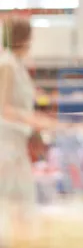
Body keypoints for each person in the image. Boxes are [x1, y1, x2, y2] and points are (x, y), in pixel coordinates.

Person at [0, 16, 38, 205]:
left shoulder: (16, 64)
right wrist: (36, 121)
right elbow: (3, 108)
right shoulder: (7, 64)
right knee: (12, 206)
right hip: (7, 148)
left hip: (17, 145)